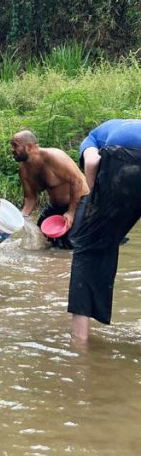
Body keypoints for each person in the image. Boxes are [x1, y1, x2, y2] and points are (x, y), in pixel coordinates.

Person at [68, 119, 141, 343]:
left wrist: (92, 201)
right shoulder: (124, 126)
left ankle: (79, 343)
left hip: (122, 160)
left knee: (87, 249)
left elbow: (92, 162)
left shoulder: (91, 138)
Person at [10, 130, 89, 248]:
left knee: (71, 241)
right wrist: (23, 216)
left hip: (81, 201)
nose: (12, 150)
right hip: (56, 206)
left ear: (29, 147)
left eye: (15, 146)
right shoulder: (24, 171)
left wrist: (71, 212)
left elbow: (76, 181)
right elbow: (30, 198)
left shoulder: (55, 156)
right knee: (40, 238)